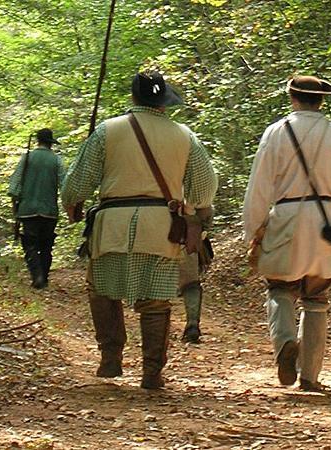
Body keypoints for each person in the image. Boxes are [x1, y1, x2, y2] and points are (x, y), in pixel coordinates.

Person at [62, 71, 217, 389]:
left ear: (134, 98)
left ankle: (110, 358)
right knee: (156, 299)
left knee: (102, 290)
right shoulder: (184, 135)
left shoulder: (108, 131)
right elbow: (204, 188)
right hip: (161, 227)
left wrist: (73, 202)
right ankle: (151, 371)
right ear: (164, 102)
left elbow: (78, 182)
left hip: (112, 225)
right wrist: (193, 208)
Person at [243, 75, 331, 391]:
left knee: (279, 288)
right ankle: (310, 375)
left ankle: (285, 342)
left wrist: (254, 227)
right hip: (324, 221)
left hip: (284, 216)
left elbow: (259, 185)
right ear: (321, 101)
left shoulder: (276, 132)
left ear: (292, 98)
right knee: (316, 297)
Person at [8, 128, 66, 289]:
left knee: (30, 245)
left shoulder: (27, 158)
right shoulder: (56, 161)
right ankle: (44, 278)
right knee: (46, 246)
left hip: (28, 210)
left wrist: (16, 209)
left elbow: (14, 187)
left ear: (38, 141)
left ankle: (37, 276)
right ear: (51, 144)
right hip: (49, 211)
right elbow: (65, 186)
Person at [179, 207, 213, 343]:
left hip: (150, 227)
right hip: (185, 232)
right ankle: (192, 324)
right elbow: (204, 201)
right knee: (190, 283)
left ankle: (156, 334)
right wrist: (204, 225)